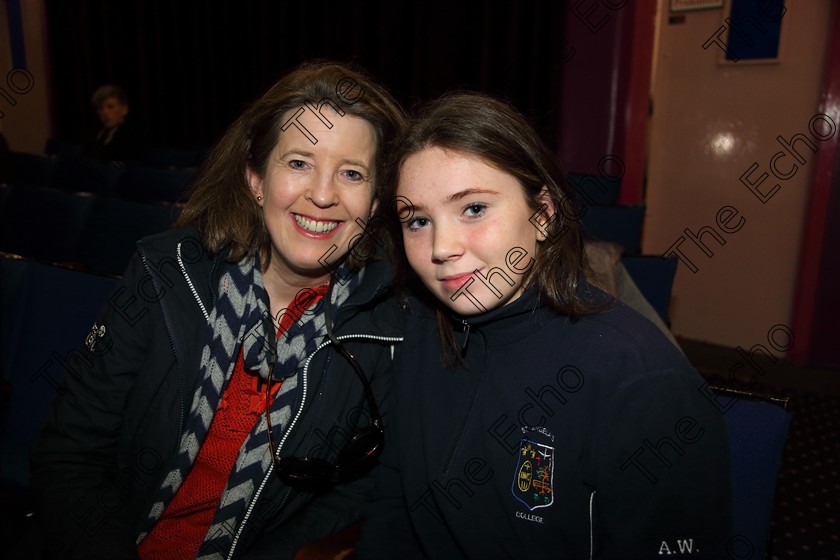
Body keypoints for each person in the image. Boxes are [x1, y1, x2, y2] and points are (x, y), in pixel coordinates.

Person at [30, 61, 405, 560]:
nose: (321, 194)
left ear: (375, 201)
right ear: (255, 178)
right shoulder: (165, 274)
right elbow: (70, 453)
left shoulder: (388, 325)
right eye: (298, 163)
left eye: (352, 173)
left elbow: (363, 488)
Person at [357, 92, 733, 559]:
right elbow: (395, 505)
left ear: (543, 214)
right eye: (417, 220)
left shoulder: (640, 381)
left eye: (473, 208)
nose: (442, 246)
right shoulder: (419, 331)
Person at [86, 84, 138, 162]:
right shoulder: (95, 134)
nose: (105, 112)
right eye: (100, 108)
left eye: (110, 107)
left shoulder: (130, 135)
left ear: (124, 109)